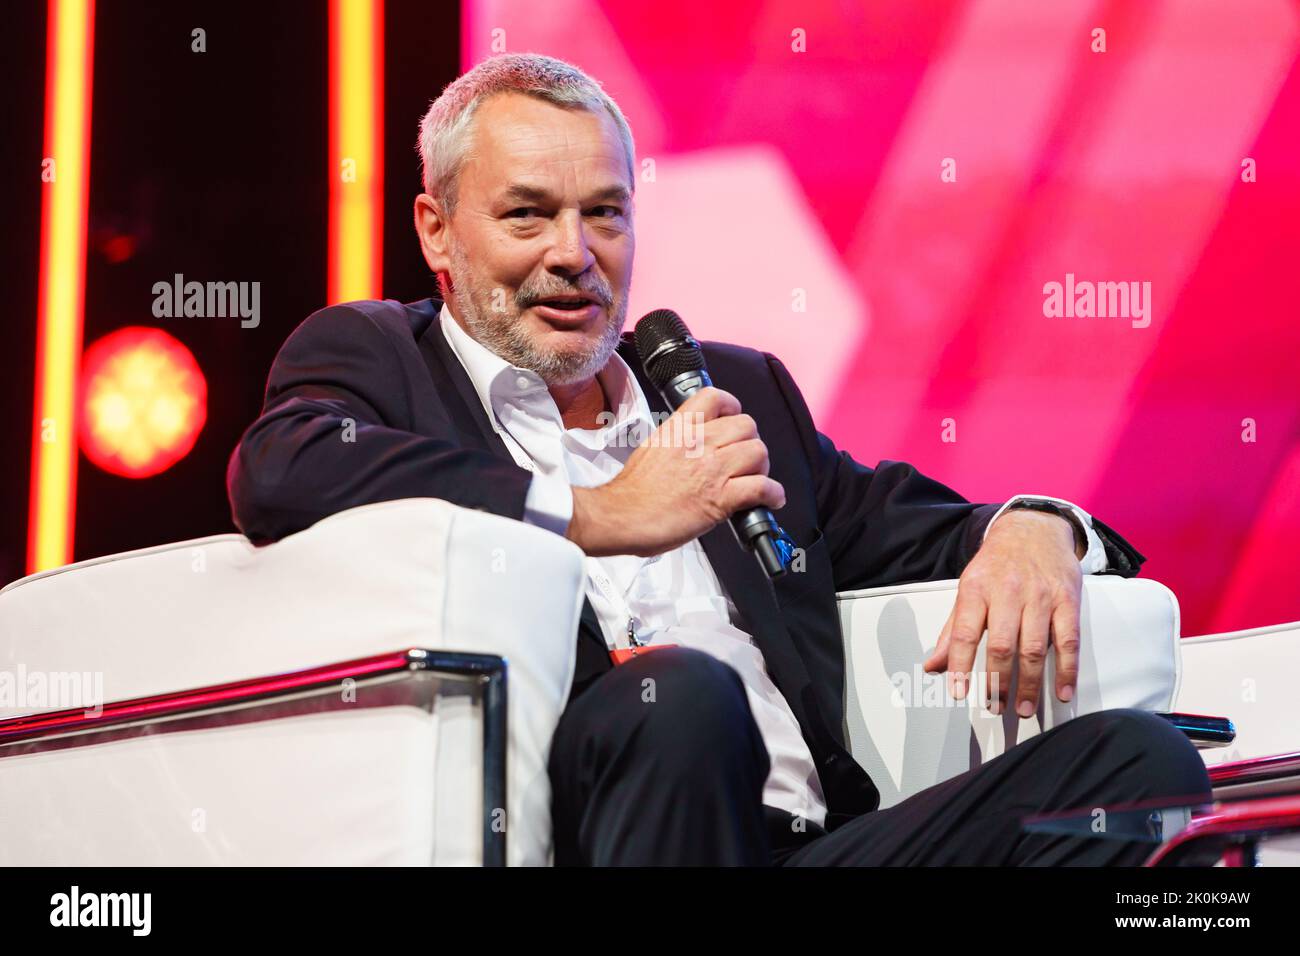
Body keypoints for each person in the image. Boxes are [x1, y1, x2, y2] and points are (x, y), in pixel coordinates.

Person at [227, 53, 1211, 866]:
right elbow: (284, 468)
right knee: (678, 691)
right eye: (527, 214)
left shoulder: (729, 390)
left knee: (1138, 761)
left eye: (605, 212)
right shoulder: (380, 358)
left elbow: (918, 523)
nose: (576, 253)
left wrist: (1034, 529)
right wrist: (600, 509)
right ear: (437, 231)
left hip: (809, 848)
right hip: (588, 836)